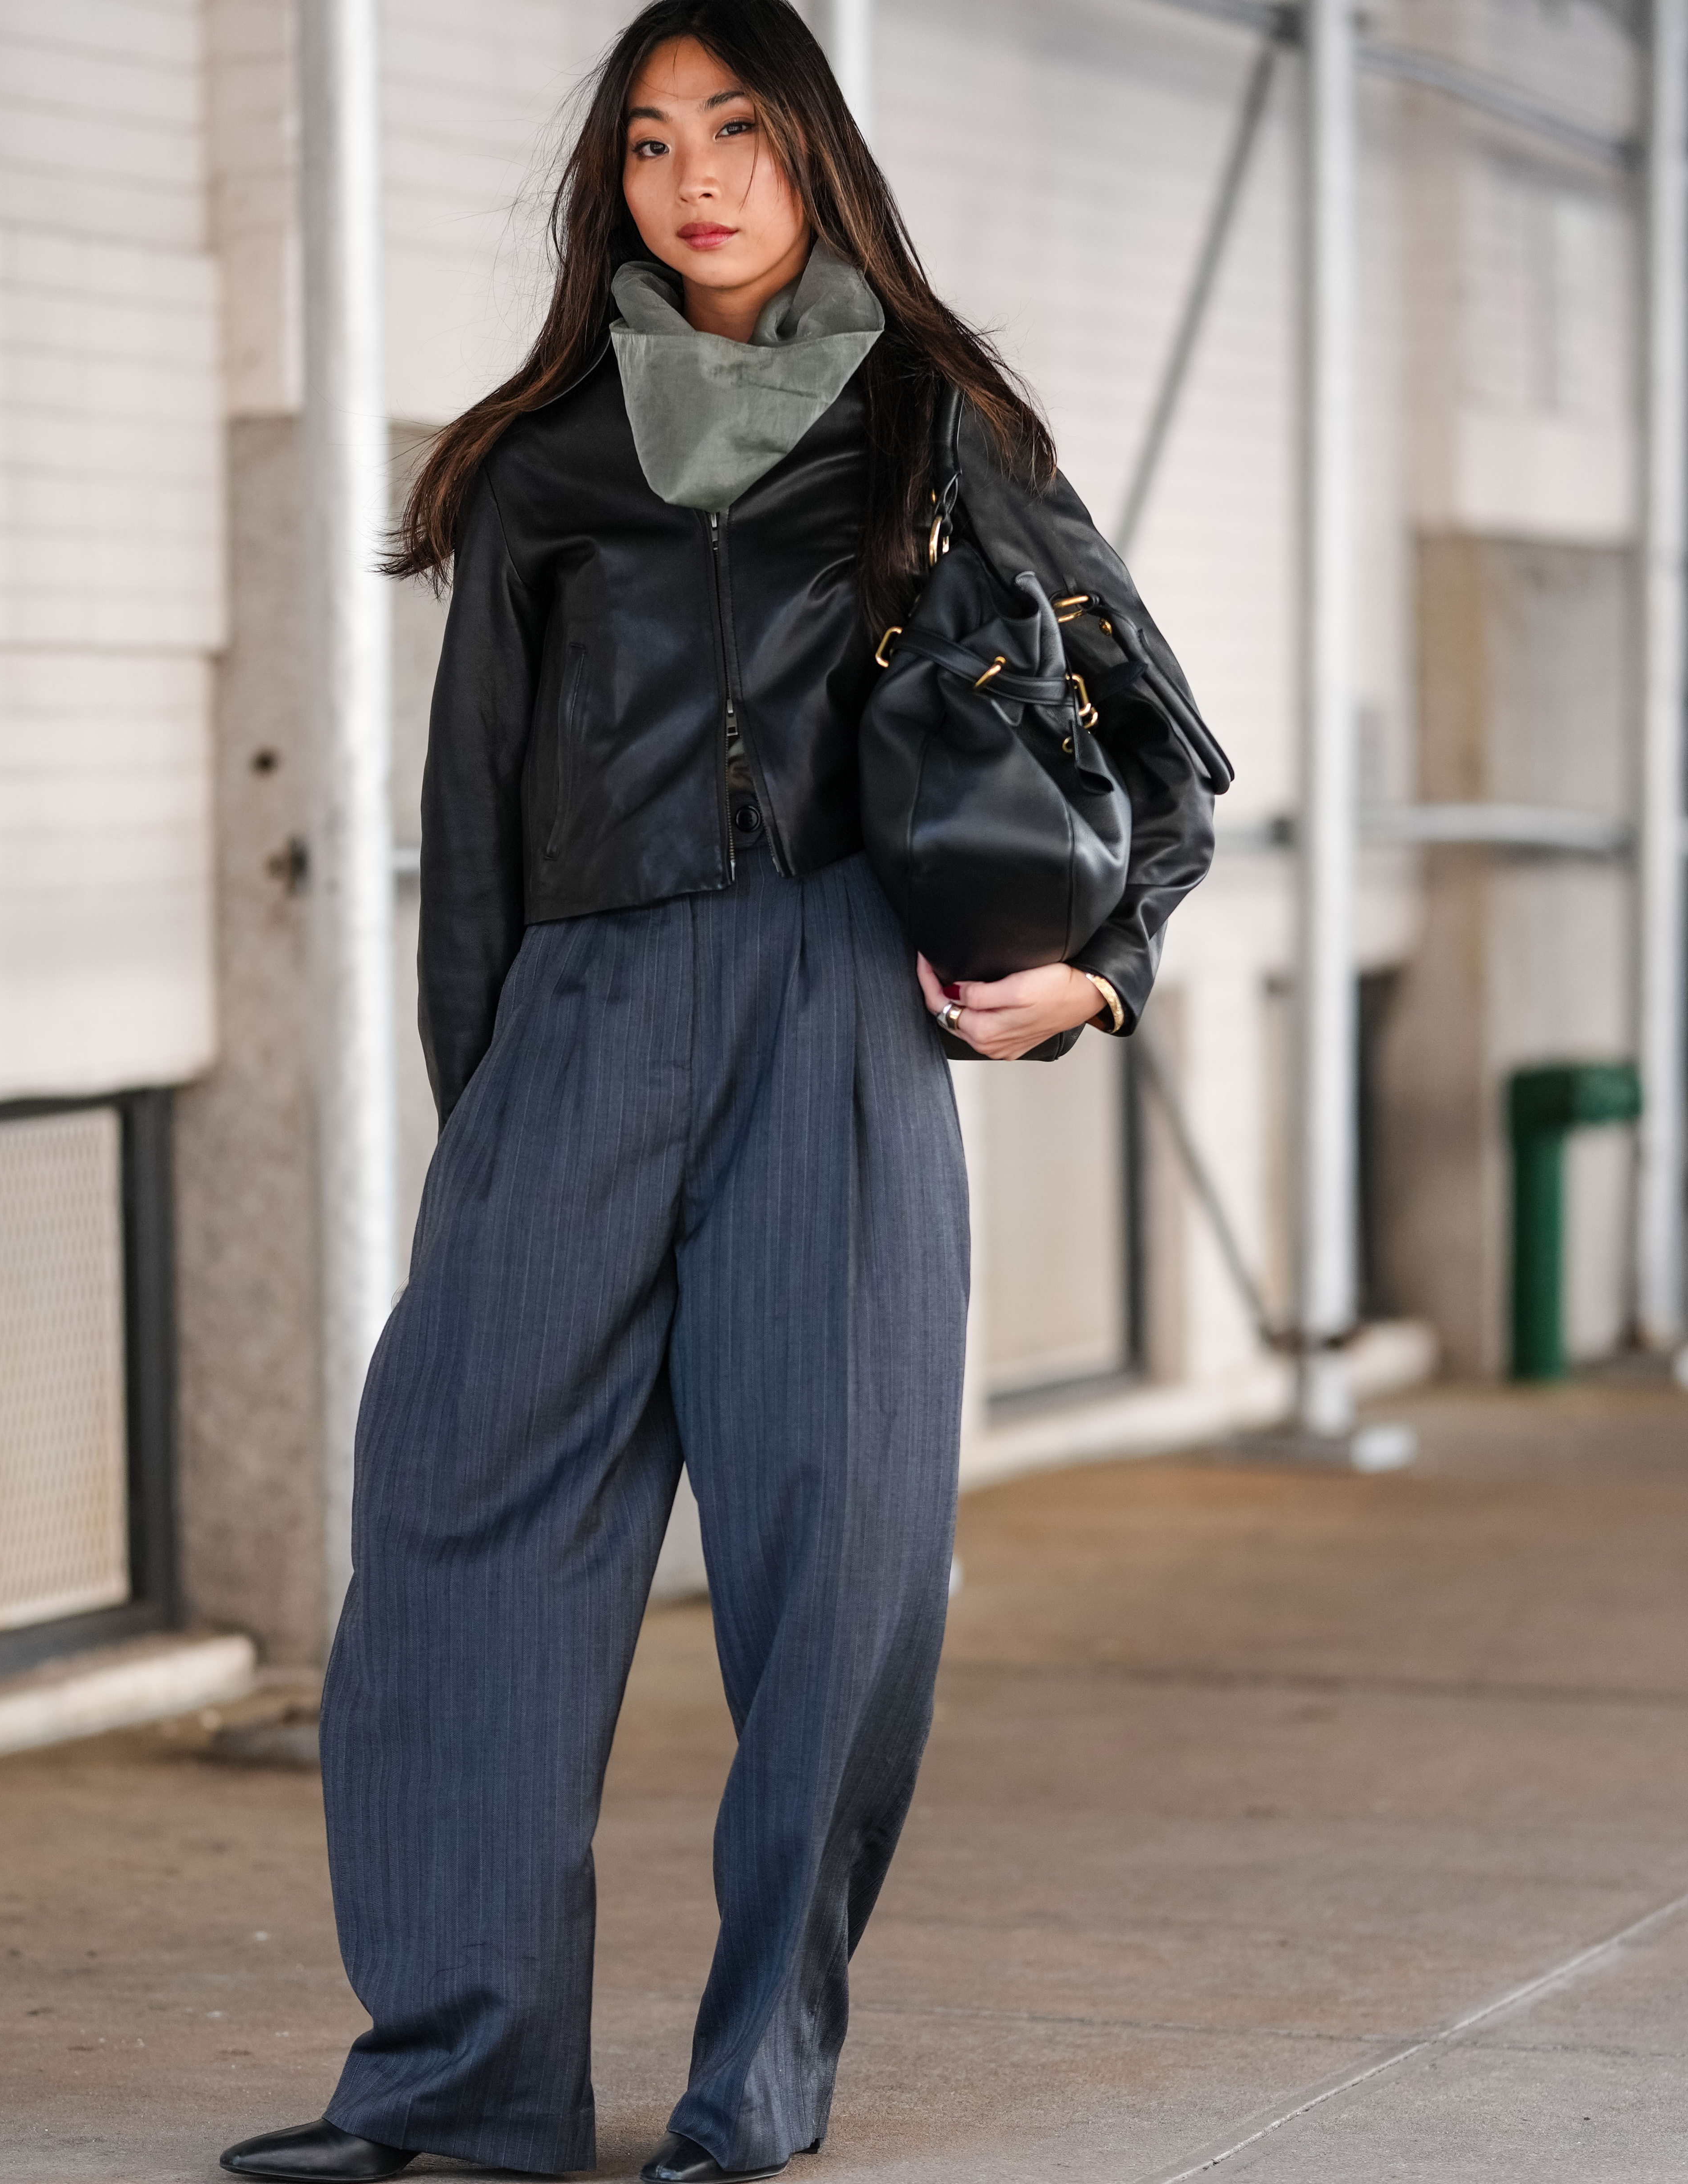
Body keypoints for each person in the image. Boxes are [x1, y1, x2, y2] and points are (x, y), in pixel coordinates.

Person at [220, 4, 1217, 2177]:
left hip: (840, 1009)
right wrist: (481, 1123)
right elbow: (468, 822)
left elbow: (1162, 758)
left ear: (814, 155)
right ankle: (461, 2082)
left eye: (738, 130)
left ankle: (757, 2074)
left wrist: (1101, 981)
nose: (694, 174)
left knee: (835, 1557)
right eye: (654, 139)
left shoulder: (933, 425)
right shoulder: (551, 458)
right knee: (457, 1529)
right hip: (574, 1017)